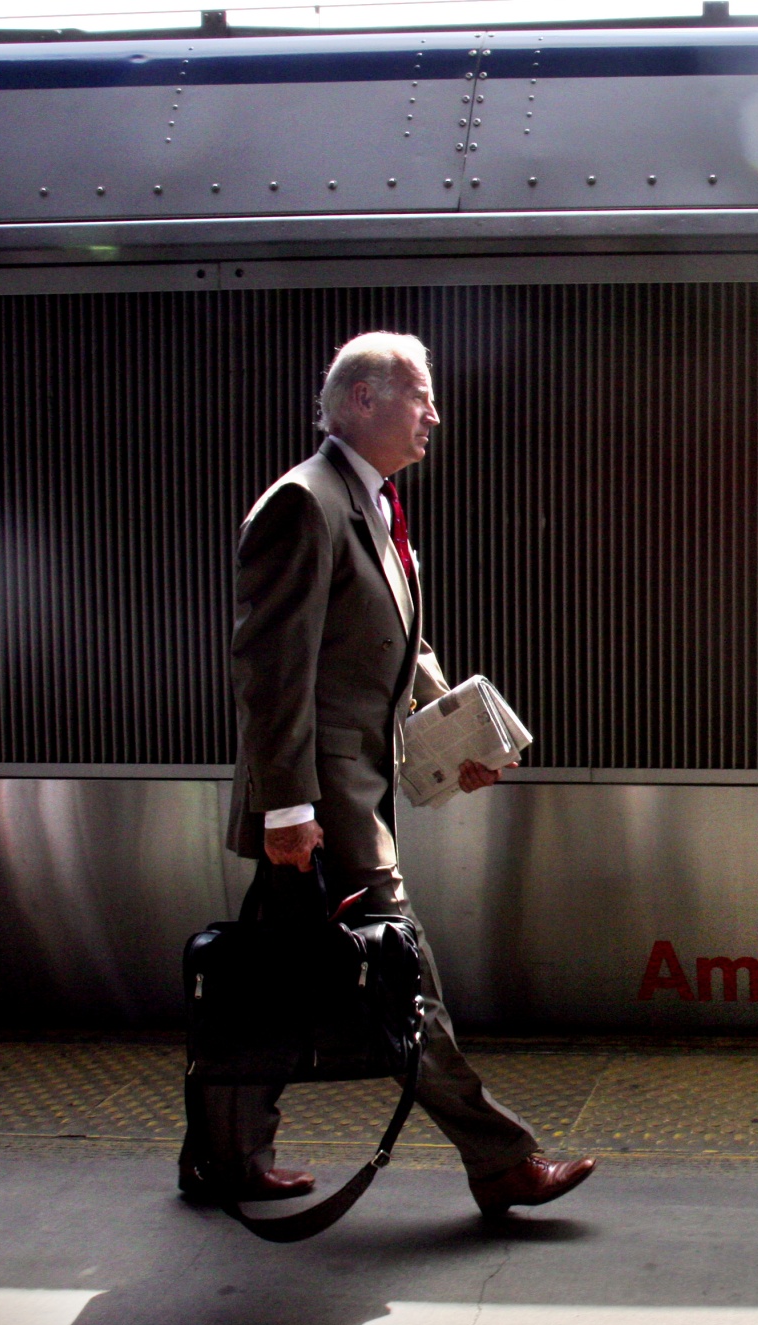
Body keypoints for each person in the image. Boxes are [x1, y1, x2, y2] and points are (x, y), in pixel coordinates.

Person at [178, 331, 595, 1215]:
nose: (434, 414)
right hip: (323, 805)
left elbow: (396, 647)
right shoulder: (305, 504)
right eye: (420, 395)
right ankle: (501, 1159)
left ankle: (220, 1153)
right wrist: (287, 807)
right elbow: (271, 670)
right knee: (404, 977)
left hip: (349, 794)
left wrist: (455, 733)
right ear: (361, 400)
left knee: (268, 982)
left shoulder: (371, 505)